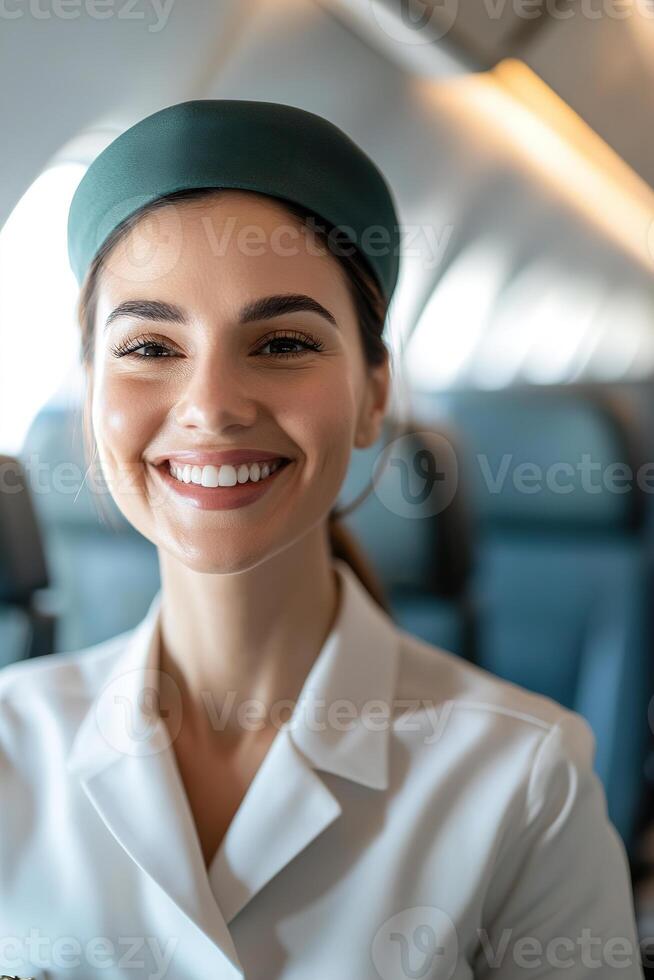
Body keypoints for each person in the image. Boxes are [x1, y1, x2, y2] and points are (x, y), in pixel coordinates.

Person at [0, 100, 644, 980]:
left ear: (376, 391)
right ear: (90, 392)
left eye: (284, 342)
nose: (211, 405)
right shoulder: (10, 745)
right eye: (151, 345)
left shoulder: (525, 783)